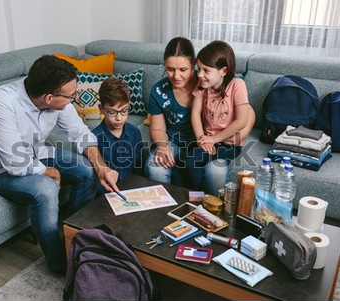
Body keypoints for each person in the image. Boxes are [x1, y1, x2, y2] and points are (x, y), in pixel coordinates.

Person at [0, 55, 119, 274]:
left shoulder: (55, 98)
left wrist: (101, 166)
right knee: (47, 187)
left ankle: (76, 239)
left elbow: (80, 133)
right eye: (72, 96)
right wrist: (47, 171)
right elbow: (15, 162)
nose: (75, 98)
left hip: (37, 154)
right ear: (49, 98)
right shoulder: (2, 103)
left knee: (86, 170)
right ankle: (60, 264)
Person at [187, 40, 256, 195]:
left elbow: (241, 121)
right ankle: (195, 196)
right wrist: (201, 138)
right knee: (190, 159)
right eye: (199, 69)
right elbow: (195, 114)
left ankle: (200, 197)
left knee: (196, 159)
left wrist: (214, 139)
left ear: (223, 71)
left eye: (206, 70)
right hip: (208, 139)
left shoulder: (237, 85)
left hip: (229, 143)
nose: (200, 74)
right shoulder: (201, 86)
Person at [145, 37, 198, 187]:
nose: (176, 76)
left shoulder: (206, 83)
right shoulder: (158, 90)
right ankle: (165, 210)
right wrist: (162, 146)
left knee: (216, 172)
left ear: (193, 65)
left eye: (183, 70)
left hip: (203, 144)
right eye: (170, 69)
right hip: (173, 141)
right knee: (155, 168)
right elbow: (157, 128)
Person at [92, 77, 143, 193]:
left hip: (132, 188)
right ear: (101, 109)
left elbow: (138, 168)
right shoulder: (94, 137)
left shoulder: (135, 132)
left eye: (124, 111)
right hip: (106, 191)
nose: (119, 118)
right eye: (112, 112)